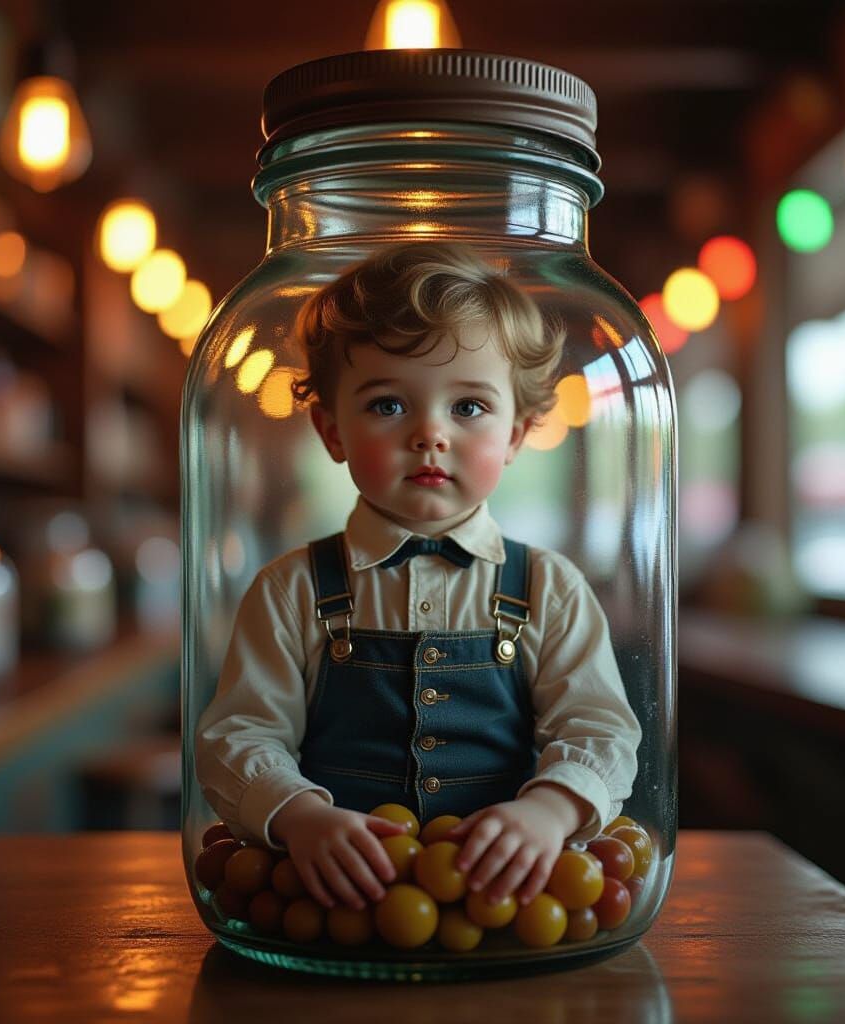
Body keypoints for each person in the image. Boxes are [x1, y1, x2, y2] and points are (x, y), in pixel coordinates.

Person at [195, 241, 641, 915]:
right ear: (331, 430)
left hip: (507, 899)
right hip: (337, 901)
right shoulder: (291, 590)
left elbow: (601, 728)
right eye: (387, 406)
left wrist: (551, 812)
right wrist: (298, 818)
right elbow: (240, 734)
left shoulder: (552, 588)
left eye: (468, 408)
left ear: (516, 435)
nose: (430, 434)